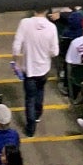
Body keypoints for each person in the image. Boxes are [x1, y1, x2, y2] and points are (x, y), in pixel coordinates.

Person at [12, 7, 58, 137]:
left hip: (29, 69)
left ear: (33, 10)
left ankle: (31, 127)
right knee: (40, 91)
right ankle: (38, 113)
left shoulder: (25, 23)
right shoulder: (51, 28)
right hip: (43, 69)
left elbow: (16, 45)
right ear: (46, 11)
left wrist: (15, 61)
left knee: (30, 98)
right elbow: (55, 52)